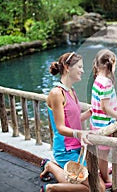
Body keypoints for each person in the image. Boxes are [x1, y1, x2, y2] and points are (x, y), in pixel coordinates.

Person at [40, 52, 106, 192]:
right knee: (98, 188)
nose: (82, 70)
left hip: (77, 148)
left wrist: (92, 111)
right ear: (67, 67)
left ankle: (50, 166)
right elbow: (60, 128)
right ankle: (51, 188)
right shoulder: (57, 93)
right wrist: (80, 133)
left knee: (93, 184)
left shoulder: (71, 91)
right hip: (65, 150)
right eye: (80, 67)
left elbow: (73, 120)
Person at [90, 49, 117, 187]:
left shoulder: (98, 79)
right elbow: (105, 108)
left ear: (97, 64)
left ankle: (103, 170)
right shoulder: (107, 83)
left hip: (96, 121)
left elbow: (104, 102)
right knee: (104, 153)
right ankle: (106, 178)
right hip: (104, 125)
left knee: (103, 152)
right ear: (112, 64)